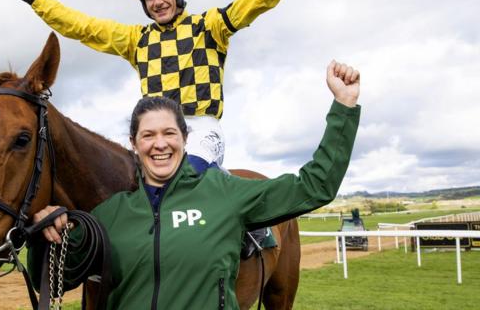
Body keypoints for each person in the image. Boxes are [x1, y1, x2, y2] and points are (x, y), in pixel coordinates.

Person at [29, 60, 361, 309]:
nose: (159, 144)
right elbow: (51, 281)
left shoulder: (223, 194)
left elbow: (314, 186)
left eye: (169, 133)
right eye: (148, 135)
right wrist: (47, 233)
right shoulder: (108, 215)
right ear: (133, 143)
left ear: (185, 139)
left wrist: (344, 106)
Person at [0, 0, 310, 172]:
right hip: (153, 132)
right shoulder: (136, 39)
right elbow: (84, 27)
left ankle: (244, 231)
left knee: (184, 177)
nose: (157, 2)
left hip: (200, 128)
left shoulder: (212, 26)